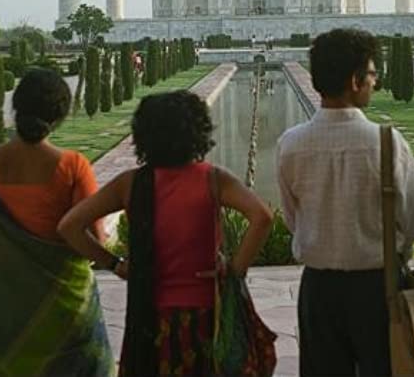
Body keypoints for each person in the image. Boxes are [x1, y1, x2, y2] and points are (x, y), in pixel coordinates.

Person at [59, 90, 273, 377]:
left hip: (151, 318)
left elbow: (70, 226)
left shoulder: (130, 184)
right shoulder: (212, 179)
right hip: (206, 315)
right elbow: (262, 217)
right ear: (197, 131)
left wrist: (115, 265)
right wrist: (235, 269)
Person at [276, 28, 414, 376]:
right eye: (372, 74)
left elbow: (291, 218)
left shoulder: (291, 144)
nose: (375, 82)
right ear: (355, 81)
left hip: (318, 290)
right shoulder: (387, 143)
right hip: (378, 289)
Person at [0, 68, 114, 376]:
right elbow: (95, 239)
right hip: (62, 310)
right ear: (62, 113)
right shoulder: (72, 166)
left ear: (16, 107)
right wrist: (115, 263)